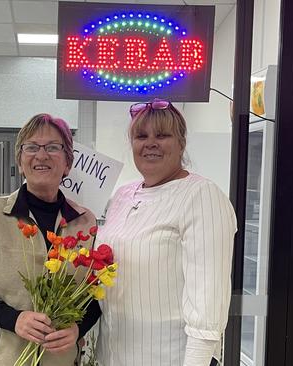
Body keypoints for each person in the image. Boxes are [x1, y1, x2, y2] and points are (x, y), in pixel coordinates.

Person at [96, 99, 236, 366]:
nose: (150, 143)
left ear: (181, 143)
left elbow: (208, 301)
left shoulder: (202, 196)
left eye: (162, 135)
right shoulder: (123, 196)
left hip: (169, 357)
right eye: (141, 136)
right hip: (113, 355)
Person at [0, 113, 102, 366]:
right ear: (20, 161)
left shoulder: (85, 222)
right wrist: (14, 319)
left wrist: (78, 329)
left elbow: (95, 297)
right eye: (31, 147)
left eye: (53, 147)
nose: (41, 155)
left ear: (67, 162)